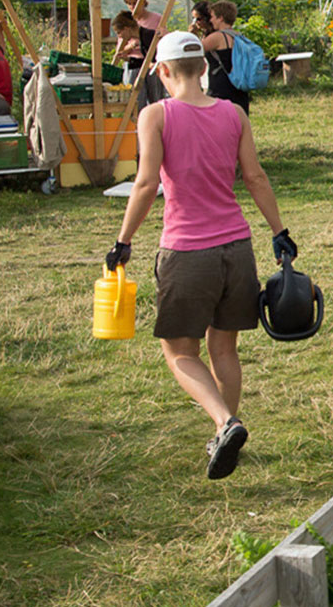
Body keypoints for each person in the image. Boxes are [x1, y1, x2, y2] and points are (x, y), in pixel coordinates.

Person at [108, 31, 296, 481]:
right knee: (224, 348)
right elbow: (255, 176)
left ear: (162, 71)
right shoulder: (233, 114)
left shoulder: (155, 115)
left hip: (188, 252)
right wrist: (280, 232)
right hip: (237, 250)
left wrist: (123, 240)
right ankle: (224, 436)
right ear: (206, 69)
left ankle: (225, 423)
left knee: (178, 352)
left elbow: (146, 183)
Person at [201, 1, 252, 115]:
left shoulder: (217, 37)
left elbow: (191, 50)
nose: (210, 20)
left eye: (213, 16)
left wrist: (167, 35)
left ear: (221, 18)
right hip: (239, 90)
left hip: (221, 90)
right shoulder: (239, 36)